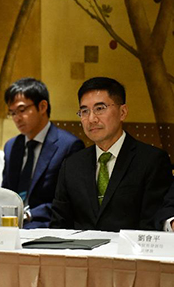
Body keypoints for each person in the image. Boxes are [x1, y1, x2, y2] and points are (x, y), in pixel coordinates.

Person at [50, 77, 172, 232]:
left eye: (100, 108)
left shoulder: (152, 161)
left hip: (129, 253)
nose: (91, 119)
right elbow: (58, 226)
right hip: (79, 254)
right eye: (84, 111)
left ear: (122, 112)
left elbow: (152, 223)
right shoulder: (72, 165)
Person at [2, 78, 84, 228]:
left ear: (42, 106)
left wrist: (27, 215)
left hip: (46, 225)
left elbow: (70, 201)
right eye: (12, 113)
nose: (17, 118)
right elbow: (6, 194)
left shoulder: (69, 146)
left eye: (22, 110)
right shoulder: (11, 146)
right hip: (11, 226)